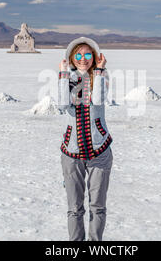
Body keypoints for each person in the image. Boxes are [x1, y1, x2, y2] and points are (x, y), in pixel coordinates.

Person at [57, 37, 113, 241]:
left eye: (88, 54)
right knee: (74, 208)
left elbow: (97, 99)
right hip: (72, 153)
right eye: (78, 55)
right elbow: (63, 105)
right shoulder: (67, 79)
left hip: (99, 151)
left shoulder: (102, 77)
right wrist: (64, 74)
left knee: (97, 207)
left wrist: (98, 70)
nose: (83, 59)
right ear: (71, 57)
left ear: (95, 57)